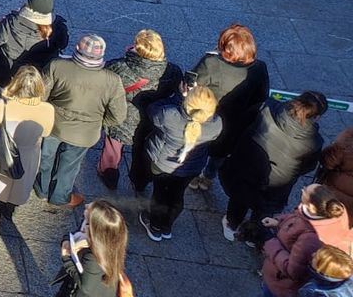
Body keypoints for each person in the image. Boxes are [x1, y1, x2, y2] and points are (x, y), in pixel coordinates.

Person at [220, 92, 329, 240]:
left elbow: (243, 124)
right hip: (277, 183)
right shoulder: (314, 142)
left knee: (239, 199)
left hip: (247, 167)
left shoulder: (268, 107)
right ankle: (253, 236)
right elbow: (308, 167)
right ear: (317, 117)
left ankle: (231, 225)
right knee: (264, 209)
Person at [37, 33, 126, 208]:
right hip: (85, 134)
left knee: (45, 157)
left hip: (52, 124)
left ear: (77, 49)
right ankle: (59, 197)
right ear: (101, 56)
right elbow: (118, 116)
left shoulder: (57, 66)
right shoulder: (112, 81)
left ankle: (41, 189)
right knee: (69, 166)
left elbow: (41, 95)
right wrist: (99, 122)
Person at [246, 185, 353, 297]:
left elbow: (292, 270)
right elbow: (297, 218)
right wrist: (279, 222)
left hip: (283, 287)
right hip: (288, 286)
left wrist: (268, 241)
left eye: (306, 191)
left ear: (313, 207)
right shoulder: (332, 212)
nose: (302, 189)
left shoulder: (310, 238)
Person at [189, 22, 272, 195]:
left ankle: (193, 173)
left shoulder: (211, 63)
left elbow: (193, 86)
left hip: (206, 119)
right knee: (219, 155)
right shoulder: (258, 68)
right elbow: (261, 97)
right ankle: (208, 177)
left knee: (197, 148)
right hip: (235, 125)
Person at [0, 65, 57, 231]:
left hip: (0, 153)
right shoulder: (47, 110)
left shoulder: (2, 105)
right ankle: (9, 211)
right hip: (28, 155)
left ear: (15, 83)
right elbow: (46, 132)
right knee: (19, 185)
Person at [134, 82, 220, 240]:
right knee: (177, 195)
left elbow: (153, 110)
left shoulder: (170, 115)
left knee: (159, 195)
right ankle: (166, 227)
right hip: (191, 168)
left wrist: (179, 97)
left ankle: (154, 226)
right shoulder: (216, 124)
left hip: (163, 163)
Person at [98, 29, 181, 190]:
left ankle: (109, 176)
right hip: (151, 121)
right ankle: (139, 182)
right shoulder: (172, 71)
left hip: (121, 119)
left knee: (112, 150)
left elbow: (103, 80)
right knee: (142, 154)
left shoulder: (121, 67)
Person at [53, 200, 131, 297]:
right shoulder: (113, 241)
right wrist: (67, 240)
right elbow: (74, 235)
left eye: (87, 219)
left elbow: (86, 287)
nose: (86, 206)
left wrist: (66, 258)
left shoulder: (93, 258)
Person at [0, 0, 69, 89]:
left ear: (28, 4)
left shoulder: (12, 22)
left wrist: (2, 24)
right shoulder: (59, 27)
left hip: (2, 75)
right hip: (35, 79)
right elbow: (63, 44)